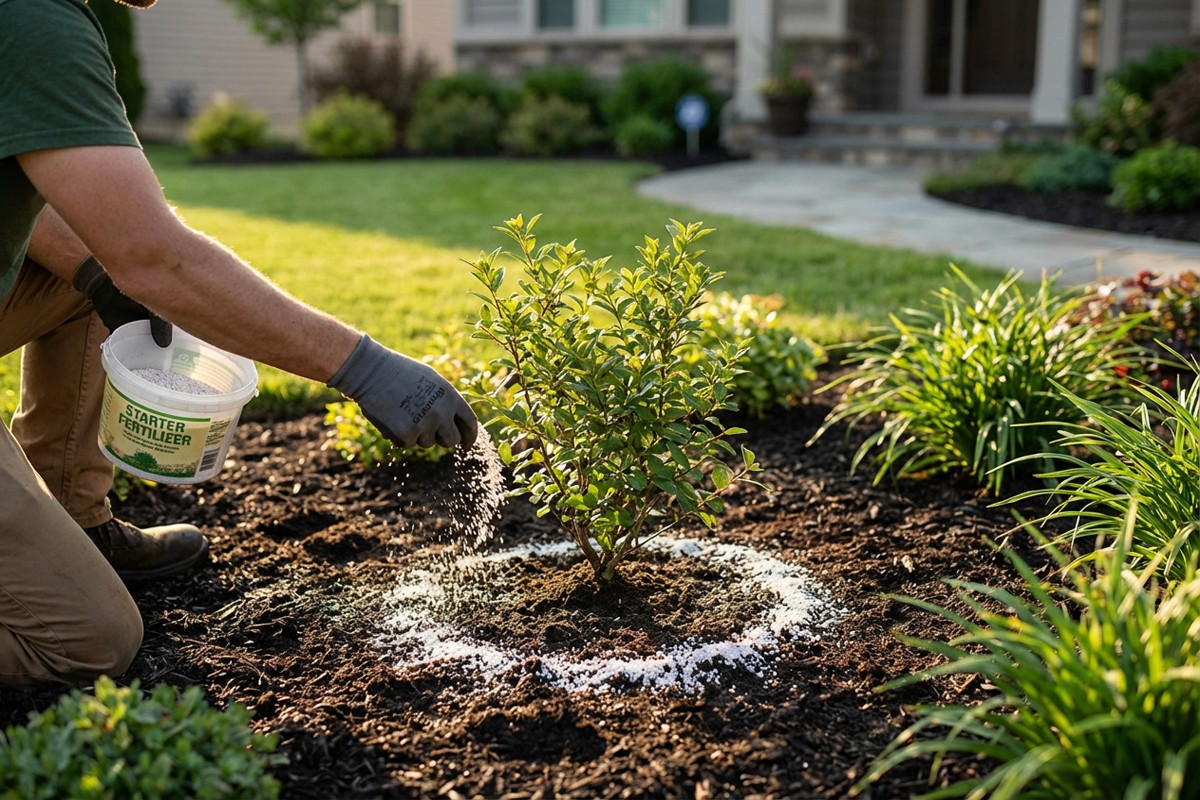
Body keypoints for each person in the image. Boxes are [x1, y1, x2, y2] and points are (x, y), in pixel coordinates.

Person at [0, 0, 478, 685]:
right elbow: (156, 259)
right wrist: (364, 368)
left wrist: (104, 272)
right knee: (87, 637)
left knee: (97, 269)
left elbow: (63, 203)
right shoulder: (29, 19)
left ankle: (77, 523)